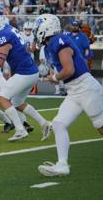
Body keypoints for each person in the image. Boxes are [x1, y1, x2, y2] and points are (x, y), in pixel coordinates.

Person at [35, 14, 103, 177]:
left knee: (101, 127)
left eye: (38, 28)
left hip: (86, 88)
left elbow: (69, 70)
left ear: (46, 28)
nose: (36, 31)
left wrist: (54, 78)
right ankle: (62, 164)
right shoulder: (51, 44)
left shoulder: (59, 41)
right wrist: (52, 75)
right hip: (74, 90)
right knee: (59, 124)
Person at [0, 16, 52, 142]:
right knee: (18, 103)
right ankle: (45, 123)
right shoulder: (8, 30)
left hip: (24, 72)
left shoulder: (4, 36)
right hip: (30, 70)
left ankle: (20, 130)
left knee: (2, 98)